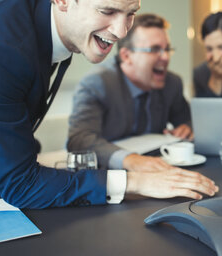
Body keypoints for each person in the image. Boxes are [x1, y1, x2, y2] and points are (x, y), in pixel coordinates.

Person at [0, 0, 218, 209]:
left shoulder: (48, 4)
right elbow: (21, 185)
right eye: (108, 11)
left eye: (130, 13)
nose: (122, 32)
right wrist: (134, 182)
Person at [67, 13, 192, 172]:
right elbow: (80, 140)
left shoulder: (172, 83)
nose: (165, 57)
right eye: (155, 49)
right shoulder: (97, 84)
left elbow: (186, 121)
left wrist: (186, 127)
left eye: (167, 49)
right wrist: (129, 159)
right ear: (126, 56)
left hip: (158, 170)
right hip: (109, 176)